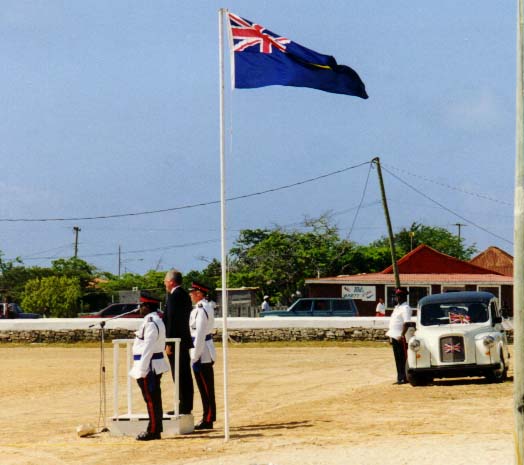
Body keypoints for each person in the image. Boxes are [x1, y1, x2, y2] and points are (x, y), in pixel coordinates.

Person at [129, 297, 169, 441]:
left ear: (147, 306)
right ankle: (155, 428)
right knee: (153, 399)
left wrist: (143, 369)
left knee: (151, 400)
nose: (140, 308)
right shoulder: (154, 319)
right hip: (151, 364)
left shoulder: (151, 322)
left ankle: (153, 430)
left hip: (149, 365)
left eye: (141, 305)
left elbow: (148, 347)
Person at [163, 269, 193, 415]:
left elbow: (172, 321)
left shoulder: (175, 296)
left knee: (180, 374)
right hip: (182, 340)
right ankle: (185, 404)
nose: (164, 284)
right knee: (184, 374)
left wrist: (168, 342)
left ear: (171, 281)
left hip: (176, 341)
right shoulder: (184, 295)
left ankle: (183, 405)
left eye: (165, 281)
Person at [189, 282, 217, 430]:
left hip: (202, 351)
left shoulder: (202, 309)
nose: (191, 295)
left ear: (199, 293)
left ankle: (208, 417)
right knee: (204, 387)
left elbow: (199, 334)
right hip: (201, 349)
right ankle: (208, 416)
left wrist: (195, 354)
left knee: (206, 387)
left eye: (192, 292)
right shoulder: (201, 308)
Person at [385, 288, 412, 385]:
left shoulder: (405, 308)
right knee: (397, 358)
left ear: (404, 297)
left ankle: (405, 377)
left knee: (403, 358)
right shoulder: (397, 308)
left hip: (401, 336)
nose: (397, 298)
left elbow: (407, 323)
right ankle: (400, 377)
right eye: (397, 296)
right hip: (394, 335)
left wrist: (402, 335)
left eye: (399, 296)